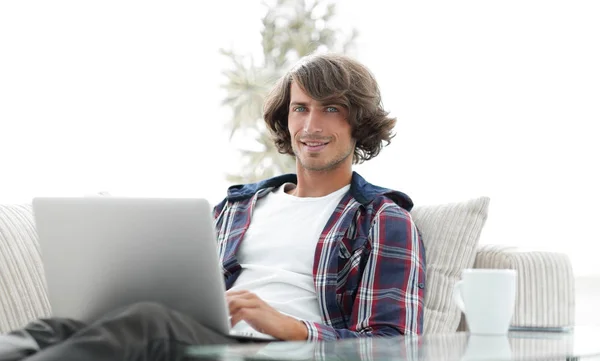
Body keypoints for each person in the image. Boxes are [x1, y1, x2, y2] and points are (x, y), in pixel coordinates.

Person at [2, 53, 426, 361]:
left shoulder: (383, 219)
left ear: (359, 122)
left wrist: (286, 326)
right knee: (58, 327)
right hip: (209, 340)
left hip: (280, 350)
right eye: (301, 108)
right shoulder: (239, 206)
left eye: (331, 109)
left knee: (150, 322)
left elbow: (393, 346)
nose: (311, 125)